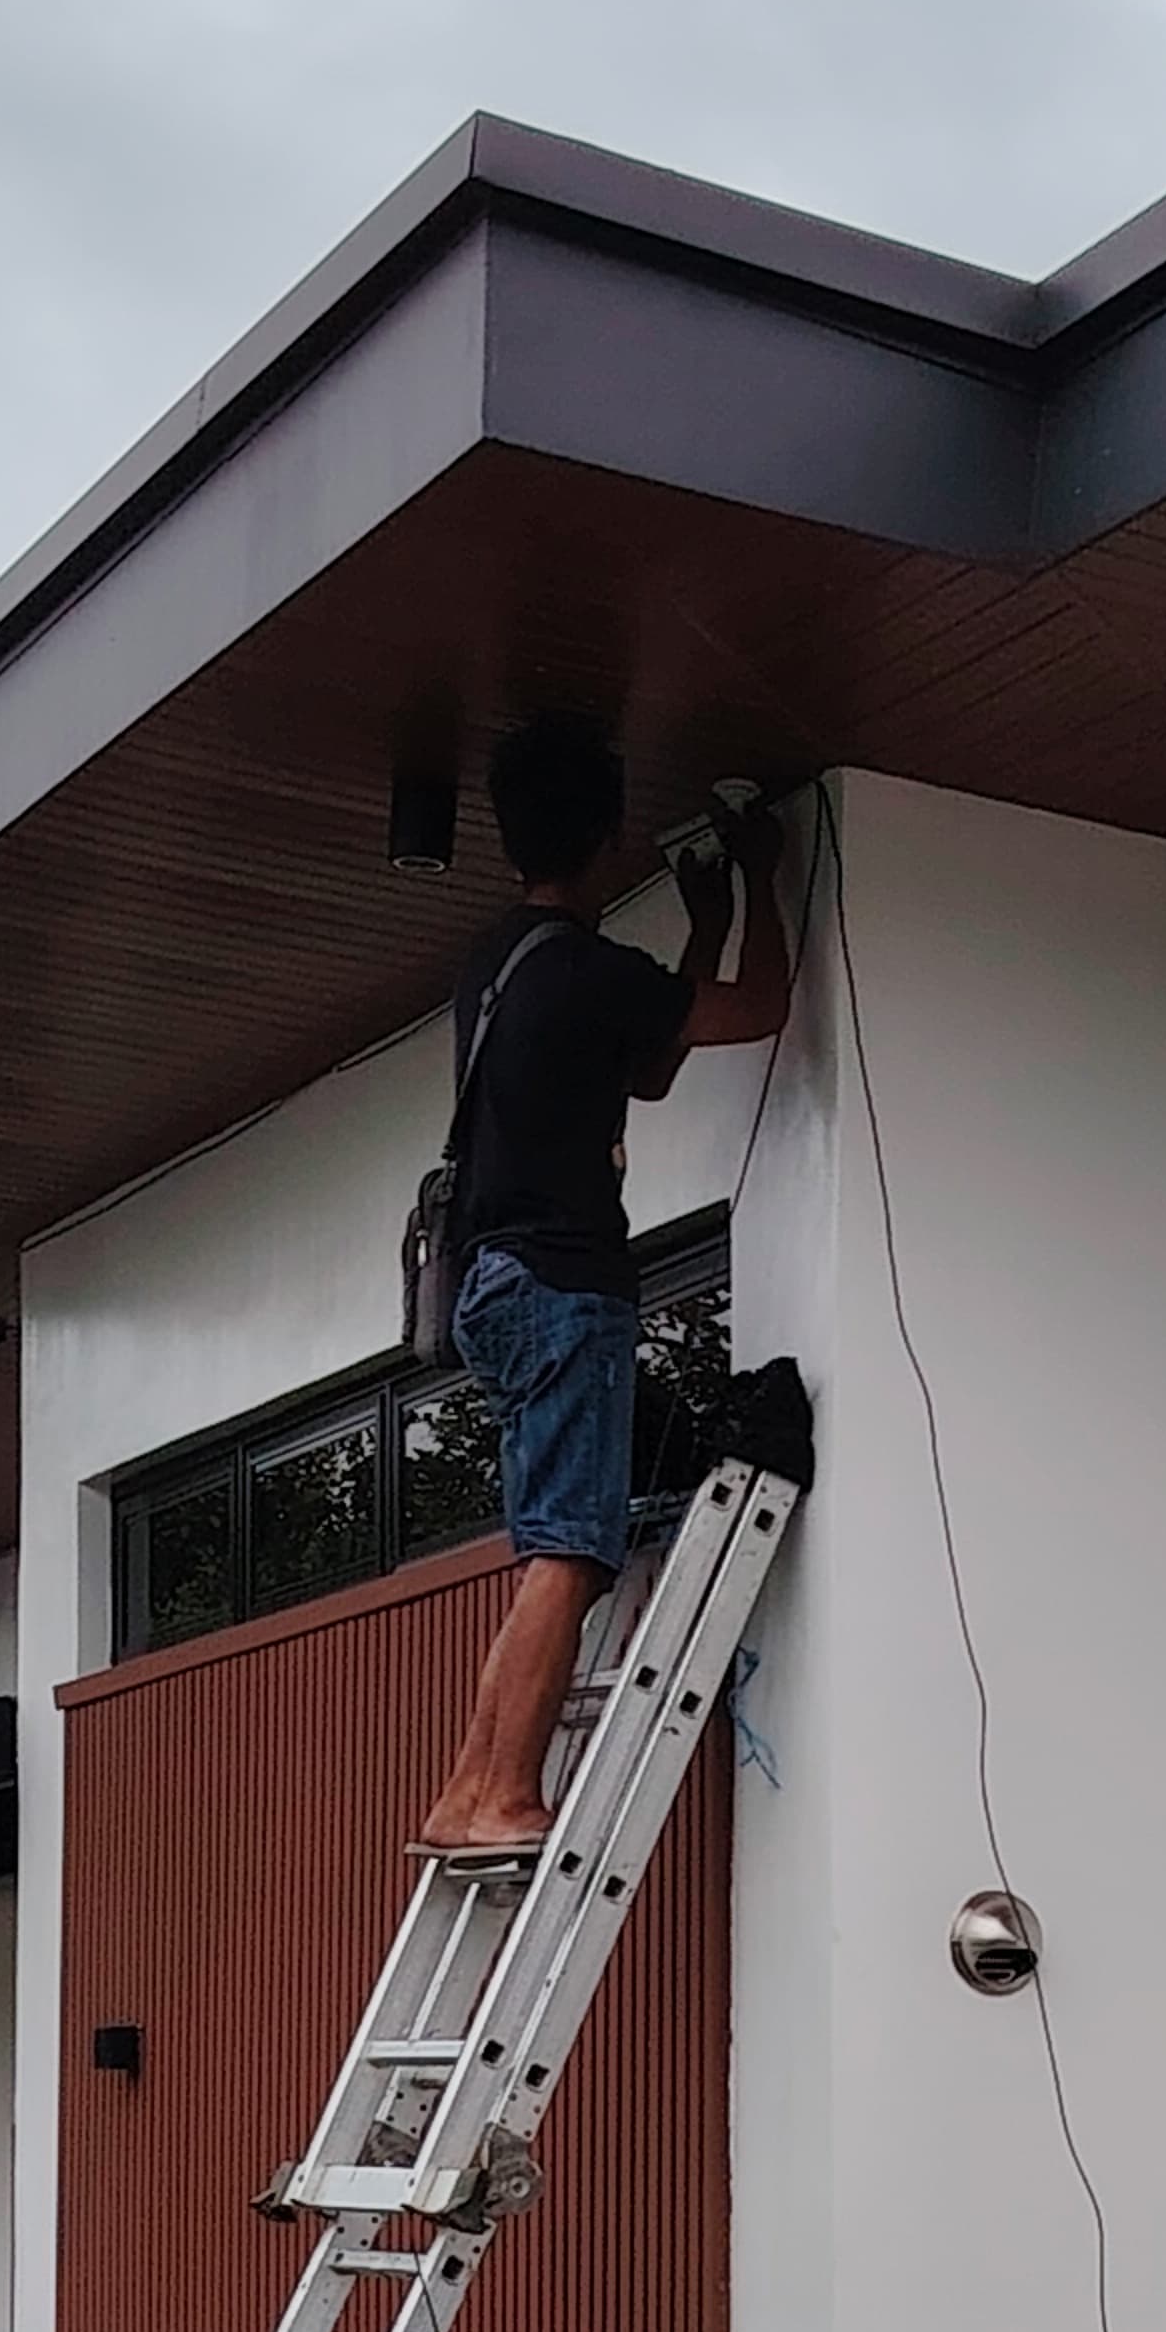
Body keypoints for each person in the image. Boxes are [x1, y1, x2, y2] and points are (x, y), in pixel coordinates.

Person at [414, 716, 790, 1862]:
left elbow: (655, 1068)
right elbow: (760, 1010)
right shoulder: (589, 972)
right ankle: (500, 1796)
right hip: (566, 1286)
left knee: (545, 1553)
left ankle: (470, 1788)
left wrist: (709, 917)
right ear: (607, 832)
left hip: (493, 1286)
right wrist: (762, 886)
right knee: (573, 1551)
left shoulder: (499, 966)